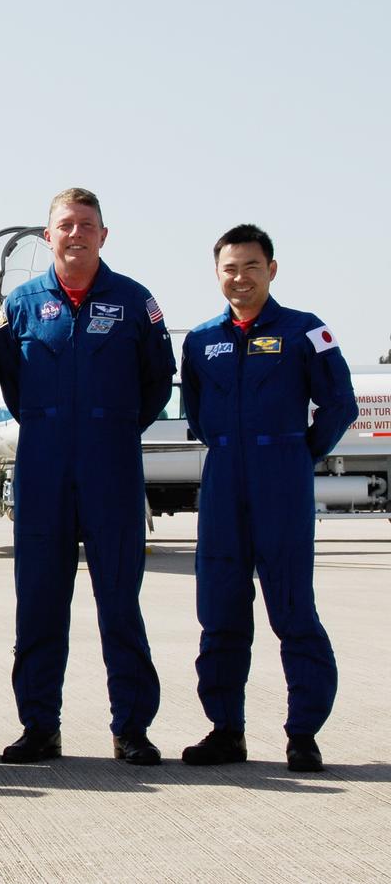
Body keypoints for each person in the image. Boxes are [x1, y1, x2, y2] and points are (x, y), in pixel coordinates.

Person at [0, 187, 174, 765]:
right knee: (39, 605)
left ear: (104, 234)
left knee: (120, 602)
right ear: (48, 236)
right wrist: (53, 428)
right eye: (65, 225)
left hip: (112, 469)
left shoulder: (134, 301)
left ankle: (132, 729)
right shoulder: (21, 304)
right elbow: (11, 384)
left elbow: (156, 381)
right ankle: (39, 726)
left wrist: (110, 428)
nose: (75, 234)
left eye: (86, 224)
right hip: (43, 471)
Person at [179, 224, 357, 772]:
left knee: (292, 609)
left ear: (272, 269)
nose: (240, 277)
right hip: (224, 475)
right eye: (230, 268)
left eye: (251, 266)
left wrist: (299, 454)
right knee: (220, 611)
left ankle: (302, 733)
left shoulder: (308, 331)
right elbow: (198, 411)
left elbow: (340, 406)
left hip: (281, 473)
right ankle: (225, 730)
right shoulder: (200, 340)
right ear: (217, 274)